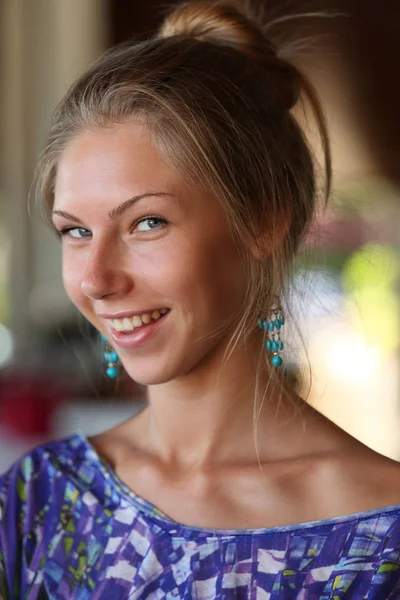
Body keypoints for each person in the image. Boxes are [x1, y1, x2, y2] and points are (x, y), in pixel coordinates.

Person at [1, 1, 400, 598]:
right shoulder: (38, 502)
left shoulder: (382, 541)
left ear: (263, 222)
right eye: (75, 231)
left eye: (147, 223)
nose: (96, 279)